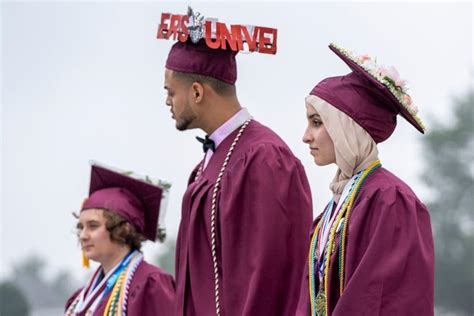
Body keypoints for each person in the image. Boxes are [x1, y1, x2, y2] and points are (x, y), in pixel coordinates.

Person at [160, 12, 313, 316]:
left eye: (170, 92)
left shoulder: (264, 159)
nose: (167, 101)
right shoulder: (209, 162)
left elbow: (271, 277)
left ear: (197, 92)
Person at [297, 43, 434, 316]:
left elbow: (382, 300)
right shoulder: (336, 207)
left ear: (347, 128)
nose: (306, 136)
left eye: (316, 122)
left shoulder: (391, 200)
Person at [65, 163, 175, 316]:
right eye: (81, 227)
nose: (83, 235)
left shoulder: (150, 286)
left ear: (123, 229)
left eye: (93, 226)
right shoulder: (79, 300)